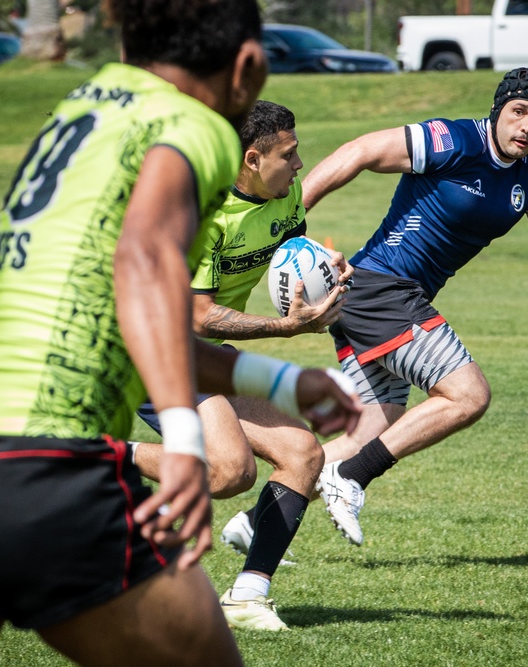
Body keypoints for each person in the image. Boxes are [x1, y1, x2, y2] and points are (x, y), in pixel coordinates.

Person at [0, 2, 359, 666]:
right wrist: (182, 442)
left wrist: (283, 381)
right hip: (41, 474)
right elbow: (152, 277)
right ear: (248, 65)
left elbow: (121, 316)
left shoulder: (82, 111)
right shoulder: (195, 127)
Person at [301, 67, 528, 546]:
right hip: (379, 287)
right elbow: (361, 151)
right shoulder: (453, 140)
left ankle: (258, 525)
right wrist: (289, 215)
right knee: (468, 395)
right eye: (518, 112)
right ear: (497, 111)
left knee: (369, 432)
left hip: (386, 300)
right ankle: (350, 478)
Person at [131, 100, 354, 631]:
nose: (301, 166)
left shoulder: (286, 195)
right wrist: (286, 327)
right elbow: (201, 314)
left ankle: (247, 597)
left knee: (302, 453)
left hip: (205, 356)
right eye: (290, 154)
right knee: (231, 471)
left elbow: (294, 256)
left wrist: (326, 274)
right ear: (253, 159)